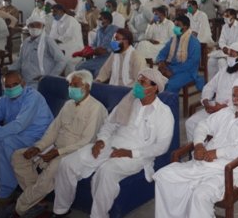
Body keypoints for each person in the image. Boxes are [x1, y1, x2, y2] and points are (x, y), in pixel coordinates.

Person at [51, 69, 174, 218]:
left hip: (136, 155)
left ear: (154, 88)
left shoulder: (164, 113)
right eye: (138, 81)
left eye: (142, 82)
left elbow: (162, 146)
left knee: (106, 172)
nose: (137, 85)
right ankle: (61, 210)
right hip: (110, 145)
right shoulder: (128, 101)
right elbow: (109, 124)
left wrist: (129, 153)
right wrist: (101, 140)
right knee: (68, 163)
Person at [154, 77, 238, 218]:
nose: (235, 99)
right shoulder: (226, 113)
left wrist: (218, 153)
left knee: (200, 195)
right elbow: (203, 125)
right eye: (233, 95)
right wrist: (199, 145)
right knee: (164, 176)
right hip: (204, 163)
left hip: (232, 169)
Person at [10, 70, 108, 217]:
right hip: (55, 147)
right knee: (18, 156)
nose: (71, 88)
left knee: (49, 174)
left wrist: (57, 153)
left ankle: (19, 208)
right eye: (69, 85)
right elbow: (53, 130)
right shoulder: (68, 104)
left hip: (73, 154)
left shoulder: (96, 108)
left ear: (87, 86)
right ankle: (36, 199)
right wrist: (38, 147)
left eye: (75, 85)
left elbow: (87, 141)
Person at [0, 71, 53, 212]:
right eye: (8, 86)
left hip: (36, 136)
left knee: (5, 141)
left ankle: (6, 194)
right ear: (3, 87)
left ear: (23, 83)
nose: (11, 88)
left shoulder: (33, 97)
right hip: (14, 133)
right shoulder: (4, 99)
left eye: (15, 84)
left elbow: (19, 125)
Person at [184, 42, 238, 141]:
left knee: (218, 134)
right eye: (228, 55)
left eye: (231, 55)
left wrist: (224, 107)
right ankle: (197, 153)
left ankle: (210, 151)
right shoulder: (225, 70)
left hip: (236, 114)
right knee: (190, 123)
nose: (228, 58)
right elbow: (209, 87)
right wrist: (206, 101)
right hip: (214, 109)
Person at [8, 16, 67, 87]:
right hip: (24, 81)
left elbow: (61, 61)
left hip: (40, 83)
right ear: (28, 27)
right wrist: (9, 68)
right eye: (32, 25)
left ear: (43, 27)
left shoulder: (48, 41)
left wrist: (49, 77)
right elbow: (20, 61)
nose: (35, 28)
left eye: (38, 25)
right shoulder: (26, 42)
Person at [156, 15, 202, 92]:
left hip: (187, 72)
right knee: (154, 81)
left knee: (169, 85)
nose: (175, 28)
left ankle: (169, 103)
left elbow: (191, 63)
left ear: (186, 27)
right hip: (171, 68)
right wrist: (161, 62)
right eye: (175, 25)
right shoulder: (173, 39)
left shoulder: (194, 42)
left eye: (178, 25)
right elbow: (162, 53)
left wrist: (172, 71)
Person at [207, 9, 238, 78]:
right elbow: (221, 41)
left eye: (227, 16)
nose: (225, 17)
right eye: (224, 15)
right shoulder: (224, 26)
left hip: (236, 54)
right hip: (225, 52)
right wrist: (224, 47)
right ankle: (213, 82)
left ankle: (224, 83)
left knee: (221, 62)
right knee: (211, 61)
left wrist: (229, 50)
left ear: (233, 17)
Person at [76, 11, 118, 76]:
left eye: (100, 19)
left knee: (98, 73)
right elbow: (94, 44)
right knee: (79, 67)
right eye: (98, 19)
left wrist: (107, 50)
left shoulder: (115, 30)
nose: (98, 21)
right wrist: (91, 50)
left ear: (107, 20)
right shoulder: (99, 30)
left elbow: (117, 45)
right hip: (99, 57)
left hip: (110, 58)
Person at [49, 4, 84, 73]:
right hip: (61, 44)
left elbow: (68, 36)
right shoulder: (56, 21)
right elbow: (52, 35)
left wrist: (56, 41)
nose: (53, 14)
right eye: (52, 12)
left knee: (60, 58)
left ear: (61, 11)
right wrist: (50, 41)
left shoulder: (71, 20)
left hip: (73, 46)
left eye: (55, 11)